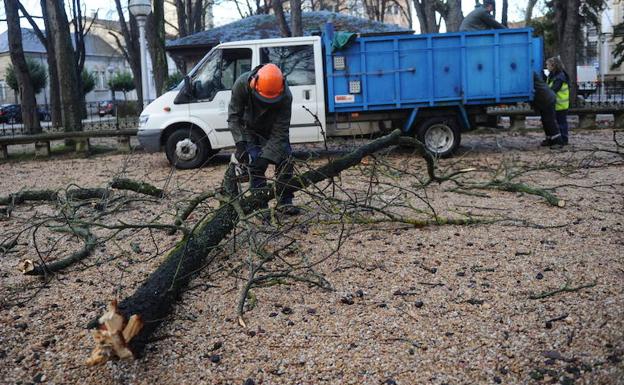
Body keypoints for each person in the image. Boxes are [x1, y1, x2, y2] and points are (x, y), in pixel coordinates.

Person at [228, 63, 300, 215]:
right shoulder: (242, 85)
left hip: (274, 130)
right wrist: (240, 144)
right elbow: (234, 116)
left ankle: (285, 201)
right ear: (254, 84)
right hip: (250, 130)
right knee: (255, 162)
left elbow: (280, 130)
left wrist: (267, 157)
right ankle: (260, 204)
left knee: (285, 159)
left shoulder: (286, 96)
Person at [533, 72, 564, 147]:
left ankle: (558, 142)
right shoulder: (532, 73)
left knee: (549, 121)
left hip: (547, 99)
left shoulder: (529, 74)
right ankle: (550, 139)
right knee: (546, 120)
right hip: (546, 98)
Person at [546, 57, 570, 145]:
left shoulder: (560, 77)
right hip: (556, 104)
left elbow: (553, 89)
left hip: (560, 105)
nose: (547, 67)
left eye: (548, 65)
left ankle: (563, 140)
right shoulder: (553, 75)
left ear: (553, 66)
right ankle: (555, 140)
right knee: (556, 123)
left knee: (561, 124)